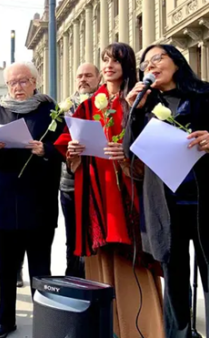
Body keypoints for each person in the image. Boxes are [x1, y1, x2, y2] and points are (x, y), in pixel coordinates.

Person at [124, 44, 209, 338]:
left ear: (177, 62)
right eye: (145, 64)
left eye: (158, 58)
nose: (150, 66)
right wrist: (133, 112)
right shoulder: (146, 104)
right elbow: (131, 152)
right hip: (167, 206)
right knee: (176, 284)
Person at [55, 44, 163, 337]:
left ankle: (143, 327)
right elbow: (67, 139)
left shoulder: (139, 102)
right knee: (100, 258)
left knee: (134, 258)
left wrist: (128, 156)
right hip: (95, 193)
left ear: (127, 65)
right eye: (105, 60)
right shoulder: (88, 105)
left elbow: (157, 143)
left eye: (116, 60)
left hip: (130, 193)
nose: (109, 65)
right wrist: (73, 150)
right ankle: (107, 327)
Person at [0, 61, 63, 338]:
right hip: (4, 200)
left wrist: (46, 149)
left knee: (40, 268)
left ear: (35, 82)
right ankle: (5, 319)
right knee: (7, 265)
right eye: (12, 82)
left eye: (23, 81)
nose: (18, 87)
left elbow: (67, 147)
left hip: (39, 202)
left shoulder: (51, 112)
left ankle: (46, 322)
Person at [57, 62, 100, 279]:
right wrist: (67, 151)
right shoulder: (65, 107)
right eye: (80, 76)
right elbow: (54, 143)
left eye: (88, 75)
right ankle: (73, 280)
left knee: (98, 236)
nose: (83, 80)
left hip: (101, 182)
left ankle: (98, 281)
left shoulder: (105, 103)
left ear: (98, 78)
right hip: (70, 184)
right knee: (73, 237)